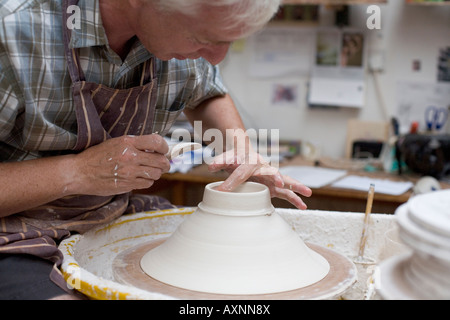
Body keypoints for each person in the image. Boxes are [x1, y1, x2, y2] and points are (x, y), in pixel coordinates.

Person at [0, 0, 312, 300]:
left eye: (228, 41)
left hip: (108, 217)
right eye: (202, 38)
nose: (216, 58)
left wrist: (240, 151)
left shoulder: (178, 39)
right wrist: (77, 172)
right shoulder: (14, 31)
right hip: (13, 235)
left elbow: (206, 93)